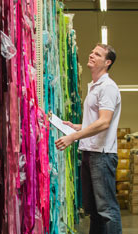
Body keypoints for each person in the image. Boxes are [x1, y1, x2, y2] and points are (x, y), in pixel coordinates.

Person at [55, 44, 122, 234]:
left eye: (97, 54)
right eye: (92, 51)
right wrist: (76, 127)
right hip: (90, 152)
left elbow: (104, 122)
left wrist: (74, 137)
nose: (91, 55)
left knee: (107, 210)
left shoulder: (107, 87)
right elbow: (96, 122)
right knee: (94, 210)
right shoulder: (94, 86)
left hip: (102, 155)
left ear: (107, 62)